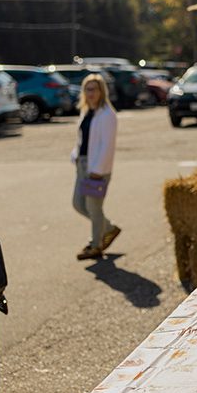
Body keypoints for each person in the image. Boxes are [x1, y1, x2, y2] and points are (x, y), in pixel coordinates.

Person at [70, 73, 121, 260]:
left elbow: (107, 146)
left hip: (98, 169)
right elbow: (82, 139)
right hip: (83, 164)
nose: (90, 93)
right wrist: (75, 156)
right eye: (87, 89)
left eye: (94, 89)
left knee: (93, 207)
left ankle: (95, 245)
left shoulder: (107, 115)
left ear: (102, 91)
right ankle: (108, 228)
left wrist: (98, 171)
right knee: (78, 204)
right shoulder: (87, 111)